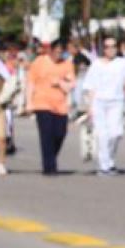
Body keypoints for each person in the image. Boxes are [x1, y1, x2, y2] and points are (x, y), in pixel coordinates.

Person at [83, 36, 125, 175]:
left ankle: (109, 161)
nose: (110, 49)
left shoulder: (123, 63)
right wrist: (89, 106)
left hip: (117, 101)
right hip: (99, 102)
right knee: (102, 134)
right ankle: (105, 166)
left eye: (113, 46)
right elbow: (90, 86)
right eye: (107, 46)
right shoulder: (96, 64)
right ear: (103, 49)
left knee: (116, 133)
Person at [26, 39, 76, 175]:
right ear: (50, 50)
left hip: (60, 105)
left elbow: (71, 85)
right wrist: (28, 102)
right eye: (56, 51)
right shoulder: (39, 62)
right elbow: (30, 82)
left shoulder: (67, 64)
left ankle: (51, 157)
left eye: (61, 52)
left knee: (60, 133)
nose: (58, 54)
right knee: (46, 134)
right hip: (42, 103)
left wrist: (59, 82)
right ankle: (49, 167)